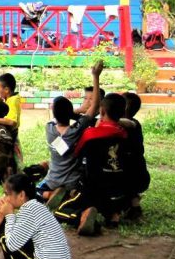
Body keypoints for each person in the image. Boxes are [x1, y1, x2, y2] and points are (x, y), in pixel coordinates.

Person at [41, 62, 104, 235]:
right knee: (73, 202)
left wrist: (75, 111)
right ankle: (76, 208)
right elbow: (93, 108)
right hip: (73, 182)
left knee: (33, 191)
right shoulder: (76, 130)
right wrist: (96, 76)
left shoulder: (49, 128)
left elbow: (65, 115)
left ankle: (49, 195)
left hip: (52, 180)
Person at [55, 93, 131, 230]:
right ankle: (113, 215)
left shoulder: (91, 134)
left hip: (93, 189)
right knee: (108, 199)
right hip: (119, 191)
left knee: (59, 212)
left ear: (102, 111)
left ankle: (82, 217)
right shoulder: (126, 133)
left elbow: (77, 154)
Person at [0, 173, 72, 259]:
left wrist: (8, 215)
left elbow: (11, 245)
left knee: (4, 236)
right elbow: (20, 231)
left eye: (7, 194)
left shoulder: (29, 211)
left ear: (21, 195)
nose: (5, 198)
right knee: (11, 230)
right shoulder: (36, 206)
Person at [122, 92, 150, 220]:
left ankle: (132, 205)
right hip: (139, 171)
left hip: (132, 173)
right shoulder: (135, 123)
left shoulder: (130, 125)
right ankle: (133, 205)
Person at [0, 72, 24, 166]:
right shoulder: (10, 98)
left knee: (13, 160)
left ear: (6, 89)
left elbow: (12, 121)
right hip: (11, 134)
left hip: (11, 134)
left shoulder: (12, 101)